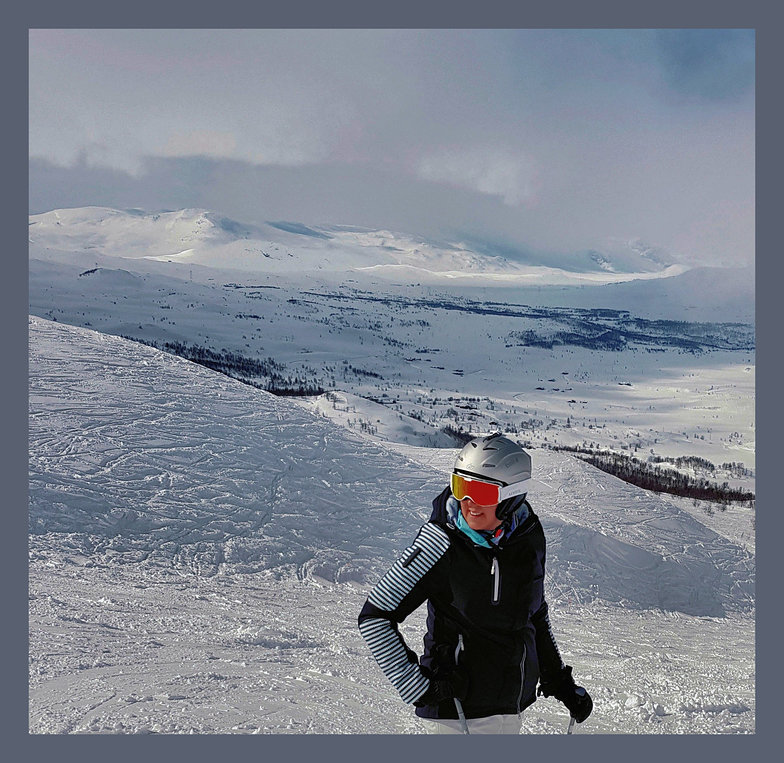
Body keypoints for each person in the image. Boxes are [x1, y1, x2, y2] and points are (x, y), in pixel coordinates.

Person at [358, 433, 593, 734]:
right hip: (456, 716)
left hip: (508, 710)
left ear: (513, 496)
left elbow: (533, 615)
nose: (469, 504)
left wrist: (560, 682)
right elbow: (375, 616)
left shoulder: (529, 540)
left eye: (482, 493)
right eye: (462, 488)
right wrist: (418, 688)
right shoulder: (440, 542)